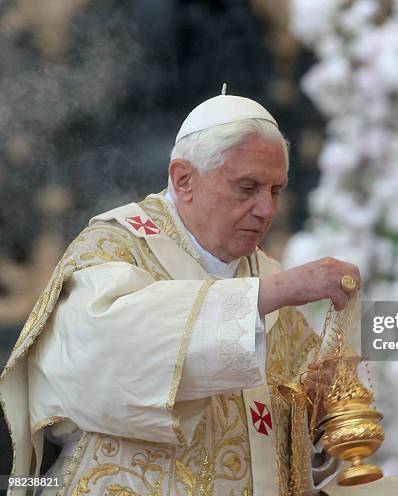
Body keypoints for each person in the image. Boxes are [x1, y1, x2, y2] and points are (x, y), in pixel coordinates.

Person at [0, 90, 361, 495]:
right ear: (183, 179)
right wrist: (265, 294)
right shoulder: (115, 249)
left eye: (276, 190)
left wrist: (316, 417)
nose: (266, 209)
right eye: (248, 187)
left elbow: (286, 449)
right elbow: (106, 361)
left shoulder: (268, 279)